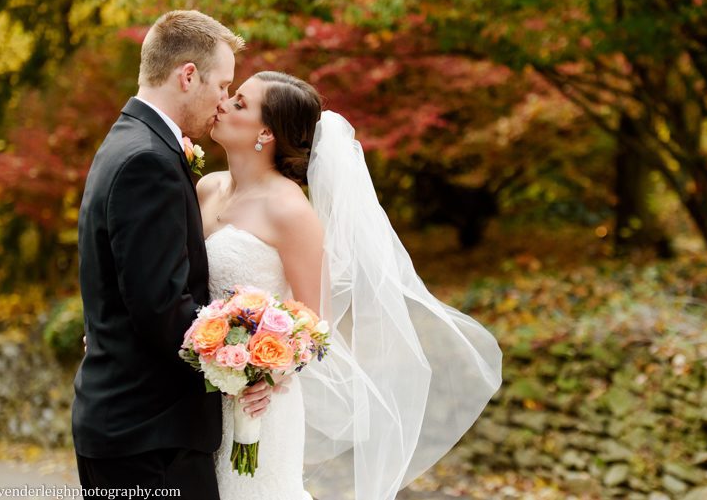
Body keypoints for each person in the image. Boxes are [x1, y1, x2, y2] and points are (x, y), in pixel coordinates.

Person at [201, 71, 503, 500]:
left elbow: (313, 323)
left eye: (240, 102)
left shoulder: (290, 211)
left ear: (266, 133)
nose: (223, 103)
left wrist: (265, 377)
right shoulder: (207, 188)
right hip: (197, 390)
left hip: (256, 403)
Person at [73, 10, 273, 499]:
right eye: (222, 85)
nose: (224, 100)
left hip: (130, 428)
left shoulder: (131, 140)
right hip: (150, 437)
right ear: (187, 76)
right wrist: (250, 361)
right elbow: (162, 309)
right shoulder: (148, 160)